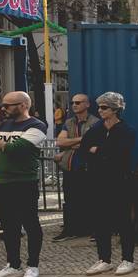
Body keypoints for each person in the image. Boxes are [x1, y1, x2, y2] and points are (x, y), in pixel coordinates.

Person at [0, 91, 47, 277]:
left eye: (8, 105)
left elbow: (14, 149)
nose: (4, 108)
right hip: (2, 181)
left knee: (30, 222)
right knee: (9, 225)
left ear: (24, 105)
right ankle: (13, 264)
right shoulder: (4, 125)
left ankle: (33, 265)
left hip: (25, 181)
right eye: (2, 105)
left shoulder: (36, 125)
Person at [80, 92, 137, 275]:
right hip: (97, 181)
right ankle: (104, 259)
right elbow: (84, 149)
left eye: (104, 107)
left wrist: (99, 151)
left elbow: (120, 154)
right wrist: (100, 152)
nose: (100, 110)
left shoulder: (126, 130)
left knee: (123, 221)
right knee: (100, 221)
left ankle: (128, 259)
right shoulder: (96, 128)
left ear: (115, 110)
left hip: (120, 181)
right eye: (99, 107)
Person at [53, 93, 98, 240]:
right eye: (73, 103)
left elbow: (93, 144)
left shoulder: (95, 122)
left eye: (78, 103)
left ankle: (93, 230)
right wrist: (81, 141)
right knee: (70, 200)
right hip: (70, 166)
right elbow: (59, 142)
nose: (74, 105)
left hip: (87, 167)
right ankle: (70, 229)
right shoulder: (69, 122)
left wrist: (71, 144)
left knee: (90, 198)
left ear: (87, 104)